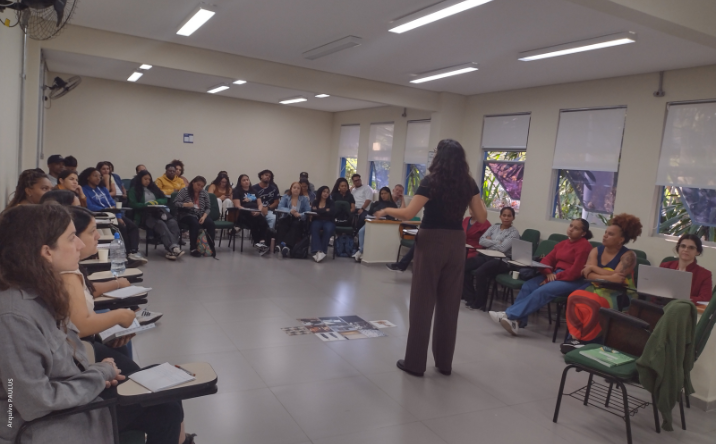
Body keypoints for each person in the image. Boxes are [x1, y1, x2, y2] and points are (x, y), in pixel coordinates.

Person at [0, 205, 126, 444]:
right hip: (38, 424)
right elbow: (35, 403)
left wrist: (95, 375)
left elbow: (65, 364)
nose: (79, 244)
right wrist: (98, 375)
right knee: (163, 410)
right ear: (47, 252)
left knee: (162, 399)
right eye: (71, 238)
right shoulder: (13, 315)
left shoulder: (41, 291)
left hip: (69, 399)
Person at [373, 139, 488, 377]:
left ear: (439, 157)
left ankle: (415, 363)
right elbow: (481, 217)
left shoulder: (431, 181)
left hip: (431, 241)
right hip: (457, 242)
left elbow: (408, 213)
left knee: (422, 303)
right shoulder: (468, 182)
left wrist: (386, 210)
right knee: (449, 304)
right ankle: (444, 363)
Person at [489, 218, 594, 336]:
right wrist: (548, 273)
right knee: (528, 286)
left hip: (572, 280)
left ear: (583, 233)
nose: (571, 229)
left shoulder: (584, 246)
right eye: (571, 226)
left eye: (576, 228)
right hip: (555, 275)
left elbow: (575, 271)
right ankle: (517, 322)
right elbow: (547, 260)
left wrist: (554, 277)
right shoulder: (563, 244)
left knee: (542, 291)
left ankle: (508, 315)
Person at [560, 214, 643, 352]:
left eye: (610, 234)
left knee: (592, 304)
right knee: (573, 297)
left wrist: (593, 268)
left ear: (621, 240)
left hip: (619, 293)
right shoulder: (595, 250)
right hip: (595, 287)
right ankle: (575, 338)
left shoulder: (629, 256)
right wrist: (606, 274)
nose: (605, 236)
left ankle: (585, 341)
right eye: (605, 232)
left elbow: (618, 279)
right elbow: (587, 274)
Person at [78, 167, 145, 263]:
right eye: (95, 176)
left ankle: (133, 251)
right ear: (88, 177)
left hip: (113, 214)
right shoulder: (84, 189)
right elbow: (90, 206)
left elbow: (112, 203)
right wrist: (106, 209)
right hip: (101, 215)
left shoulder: (102, 189)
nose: (98, 178)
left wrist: (118, 216)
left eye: (99, 176)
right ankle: (126, 253)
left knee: (133, 226)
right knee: (121, 227)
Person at [463, 207, 519, 309]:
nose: (506, 218)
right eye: (504, 215)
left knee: (481, 272)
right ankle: (470, 297)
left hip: (502, 260)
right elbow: (481, 241)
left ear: (513, 218)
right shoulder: (494, 227)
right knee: (464, 266)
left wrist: (489, 242)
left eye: (509, 216)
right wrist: (497, 242)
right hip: (486, 255)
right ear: (500, 216)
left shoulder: (514, 233)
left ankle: (479, 302)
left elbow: (503, 248)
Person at [128, 170, 184, 260]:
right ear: (140, 179)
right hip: (145, 216)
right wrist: (146, 205)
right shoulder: (133, 190)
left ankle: (172, 250)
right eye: (145, 179)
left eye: (149, 179)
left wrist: (155, 202)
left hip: (159, 213)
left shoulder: (153, 188)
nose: (147, 181)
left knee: (173, 223)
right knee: (160, 224)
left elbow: (164, 199)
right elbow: (133, 204)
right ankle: (174, 248)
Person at [660, 234, 713, 303]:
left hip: (685, 307)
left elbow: (705, 299)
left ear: (697, 252)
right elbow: (655, 290)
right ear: (678, 248)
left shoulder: (705, 274)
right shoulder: (665, 266)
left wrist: (681, 298)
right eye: (683, 246)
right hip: (659, 306)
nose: (686, 250)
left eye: (691, 248)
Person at [174, 176, 216, 258]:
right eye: (198, 185)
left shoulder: (204, 193)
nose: (199, 187)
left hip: (201, 214)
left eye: (202, 186)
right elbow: (175, 203)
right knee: (194, 223)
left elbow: (208, 208)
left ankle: (210, 246)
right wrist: (185, 204)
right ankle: (193, 248)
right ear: (193, 182)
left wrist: (204, 217)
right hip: (186, 214)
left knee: (210, 223)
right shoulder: (185, 190)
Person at [353, 187, 398, 262]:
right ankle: (361, 250)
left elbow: (393, 217)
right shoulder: (376, 203)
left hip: (383, 225)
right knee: (361, 231)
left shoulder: (393, 205)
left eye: (385, 193)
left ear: (389, 194)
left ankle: (360, 252)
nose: (383, 195)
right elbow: (369, 213)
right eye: (381, 194)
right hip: (372, 222)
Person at [232, 174, 270, 255]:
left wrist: (259, 211)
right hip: (244, 214)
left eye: (247, 180)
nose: (246, 181)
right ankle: (259, 244)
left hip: (256, 212)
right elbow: (237, 205)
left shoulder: (254, 191)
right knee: (255, 222)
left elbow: (260, 204)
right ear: (240, 182)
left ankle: (261, 242)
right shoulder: (237, 191)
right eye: (244, 180)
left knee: (263, 221)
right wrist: (248, 210)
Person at [276, 182, 311, 257]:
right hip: (287, 216)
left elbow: (308, 211)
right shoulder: (286, 197)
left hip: (299, 219)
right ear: (291, 189)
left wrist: (300, 214)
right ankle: (283, 245)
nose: (296, 189)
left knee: (295, 224)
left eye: (298, 188)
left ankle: (283, 244)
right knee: (282, 223)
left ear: (300, 190)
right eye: (294, 187)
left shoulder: (304, 199)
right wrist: (290, 211)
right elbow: (280, 207)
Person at [310, 186, 335, 263]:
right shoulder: (315, 202)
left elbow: (332, 212)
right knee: (314, 227)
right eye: (324, 191)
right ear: (320, 192)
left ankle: (323, 251)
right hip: (317, 220)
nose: (325, 194)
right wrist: (325, 210)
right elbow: (312, 211)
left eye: (327, 192)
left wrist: (318, 211)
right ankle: (317, 250)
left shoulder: (331, 202)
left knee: (328, 229)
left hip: (329, 221)